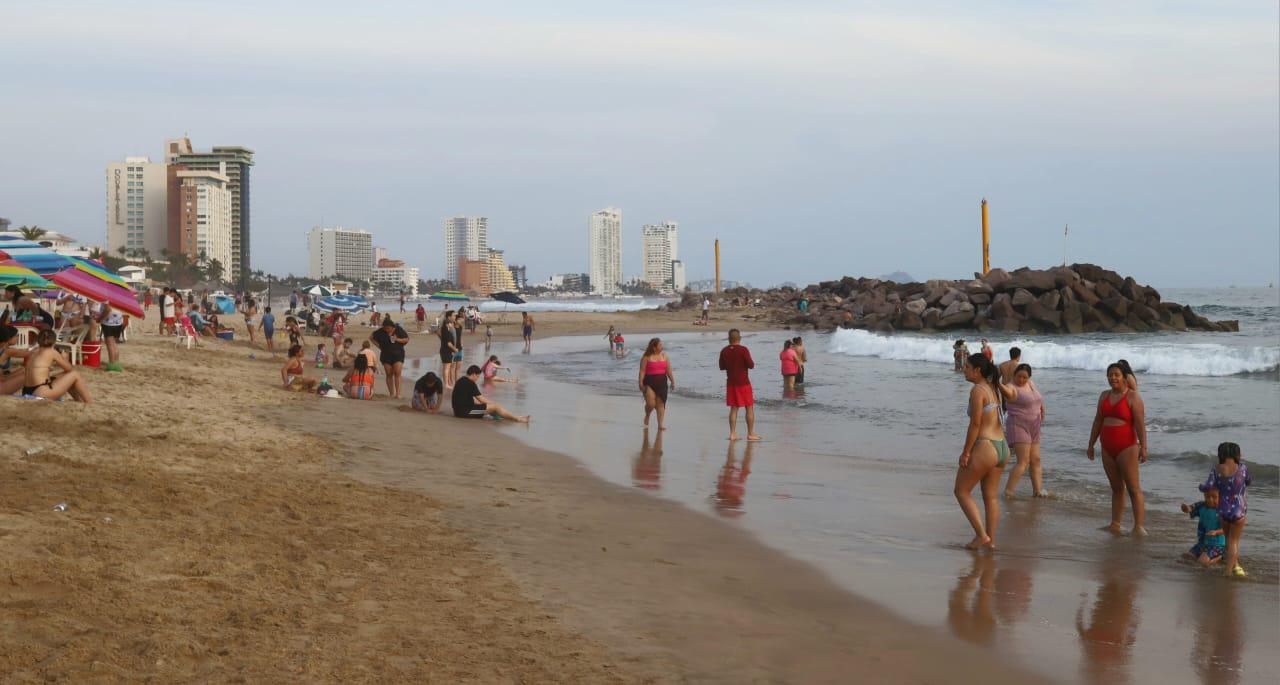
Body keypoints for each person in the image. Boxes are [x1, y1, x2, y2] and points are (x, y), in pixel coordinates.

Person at [954, 353, 1013, 550]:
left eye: (967, 367)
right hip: (1002, 447)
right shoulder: (994, 387)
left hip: (986, 445)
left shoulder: (978, 390)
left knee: (961, 491)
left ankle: (981, 536)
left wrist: (966, 452)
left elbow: (976, 424)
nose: (964, 370)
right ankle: (991, 541)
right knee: (991, 497)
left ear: (977, 370)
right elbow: (1012, 397)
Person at [1087, 362, 1149, 536]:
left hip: (1127, 447)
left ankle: (1138, 527)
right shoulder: (1104, 395)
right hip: (1107, 447)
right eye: (1110, 375)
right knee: (1116, 487)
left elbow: (1140, 424)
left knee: (1133, 488)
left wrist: (1144, 447)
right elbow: (1098, 420)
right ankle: (1115, 523)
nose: (1113, 378)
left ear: (1124, 377)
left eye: (1116, 374)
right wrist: (1091, 444)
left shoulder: (1133, 397)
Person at [1200, 442, 1252, 577]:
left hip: (1223, 509)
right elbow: (1248, 481)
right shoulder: (1243, 468)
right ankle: (1228, 572)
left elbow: (1208, 486)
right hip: (1238, 509)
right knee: (1234, 541)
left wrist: (1201, 487)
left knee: (1228, 540)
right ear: (1237, 455)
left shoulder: (1216, 469)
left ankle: (1236, 566)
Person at [1003, 363, 1048, 498]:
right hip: (1018, 425)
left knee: (1036, 459)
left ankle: (1038, 491)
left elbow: (1038, 398)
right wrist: (996, 383)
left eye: (1025, 377)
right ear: (1014, 375)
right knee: (1023, 461)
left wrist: (1042, 409)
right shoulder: (1011, 387)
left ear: (1029, 377)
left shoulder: (1030, 384)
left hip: (1035, 425)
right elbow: (1007, 392)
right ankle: (1009, 491)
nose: (1021, 380)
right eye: (1019, 376)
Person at [20, 329, 93, 402]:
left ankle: (78, 400)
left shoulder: (33, 351)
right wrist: (65, 359)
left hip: (27, 390)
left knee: (66, 376)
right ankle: (89, 402)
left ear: (38, 340)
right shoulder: (52, 352)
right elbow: (70, 369)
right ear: (54, 341)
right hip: (40, 392)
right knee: (75, 374)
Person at [719, 329, 761, 441]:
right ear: (740, 338)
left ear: (729, 338)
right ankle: (750, 433)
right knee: (749, 407)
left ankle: (732, 434)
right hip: (744, 383)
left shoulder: (724, 350)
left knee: (734, 408)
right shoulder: (743, 350)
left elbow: (722, 367)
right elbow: (751, 365)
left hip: (731, 383)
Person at [451, 365, 529, 422]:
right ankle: (517, 419)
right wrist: (494, 404)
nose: (477, 379)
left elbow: (464, 398)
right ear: (473, 374)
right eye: (477, 376)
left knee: (483, 405)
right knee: (495, 406)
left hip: (458, 411)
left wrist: (486, 405)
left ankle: (505, 415)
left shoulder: (460, 380)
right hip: (465, 413)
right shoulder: (471, 383)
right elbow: (482, 399)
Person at [1181, 489, 1226, 566]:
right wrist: (1186, 508)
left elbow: (1227, 529)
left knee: (1202, 563)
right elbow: (1190, 508)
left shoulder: (1223, 510)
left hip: (1218, 545)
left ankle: (1220, 556)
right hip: (1203, 542)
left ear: (1221, 497)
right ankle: (1205, 556)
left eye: (1214, 497)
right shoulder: (1201, 506)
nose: (1210, 499)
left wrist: (1216, 532)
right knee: (1186, 557)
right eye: (1207, 496)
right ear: (1204, 496)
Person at [639, 338, 675, 430]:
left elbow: (668, 370)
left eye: (662, 345)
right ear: (654, 347)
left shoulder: (665, 356)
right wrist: (640, 383)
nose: (662, 347)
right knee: (651, 404)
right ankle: (647, 415)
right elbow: (642, 371)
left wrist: (672, 381)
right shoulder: (646, 357)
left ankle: (660, 425)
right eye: (660, 345)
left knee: (660, 405)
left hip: (662, 384)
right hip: (649, 383)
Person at [370, 316, 409, 399]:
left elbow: (406, 339)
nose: (386, 329)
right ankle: (391, 393)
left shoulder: (398, 329)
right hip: (386, 355)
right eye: (385, 328)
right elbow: (371, 337)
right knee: (389, 374)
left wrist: (397, 339)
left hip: (398, 354)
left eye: (388, 328)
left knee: (397, 373)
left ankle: (398, 394)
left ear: (392, 326)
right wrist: (379, 346)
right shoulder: (380, 331)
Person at [0, 324, 30, 396]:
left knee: (24, 370)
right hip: (1, 388)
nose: (18, 338)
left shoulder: (5, 350)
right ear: (8, 338)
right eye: (16, 335)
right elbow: (31, 354)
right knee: (28, 374)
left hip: (2, 380)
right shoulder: (6, 351)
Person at [97, 302, 126, 372]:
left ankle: (112, 364)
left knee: (110, 345)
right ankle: (116, 363)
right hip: (118, 321)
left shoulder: (107, 296)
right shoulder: (118, 296)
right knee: (114, 344)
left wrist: (100, 319)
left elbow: (108, 309)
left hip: (109, 322)